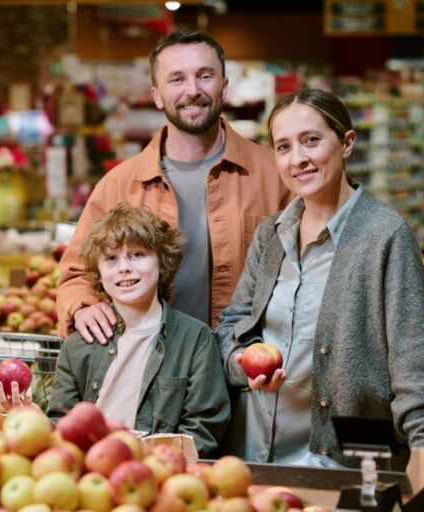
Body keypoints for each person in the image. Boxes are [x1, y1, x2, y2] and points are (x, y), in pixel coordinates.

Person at [215, 89, 424, 512]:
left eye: (311, 140)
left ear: (346, 143)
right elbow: (232, 326)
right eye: (283, 146)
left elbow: (416, 368)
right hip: (253, 468)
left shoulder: (385, 237)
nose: (298, 158)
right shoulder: (270, 235)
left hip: (337, 475)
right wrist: (243, 366)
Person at [56, 29, 292, 342]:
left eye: (205, 76)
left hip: (247, 372)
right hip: (150, 375)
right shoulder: (119, 185)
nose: (192, 90)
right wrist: (84, 307)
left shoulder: (275, 175)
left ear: (224, 86)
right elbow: (77, 274)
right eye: (177, 79)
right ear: (157, 95)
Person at [37, 203, 229, 457]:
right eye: (111, 258)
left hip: (160, 475)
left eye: (137, 254)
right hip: (91, 472)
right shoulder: (78, 345)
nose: (124, 267)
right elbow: (61, 425)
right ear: (99, 271)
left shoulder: (195, 339)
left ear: (162, 261)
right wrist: (26, 415)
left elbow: (204, 427)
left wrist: (149, 457)